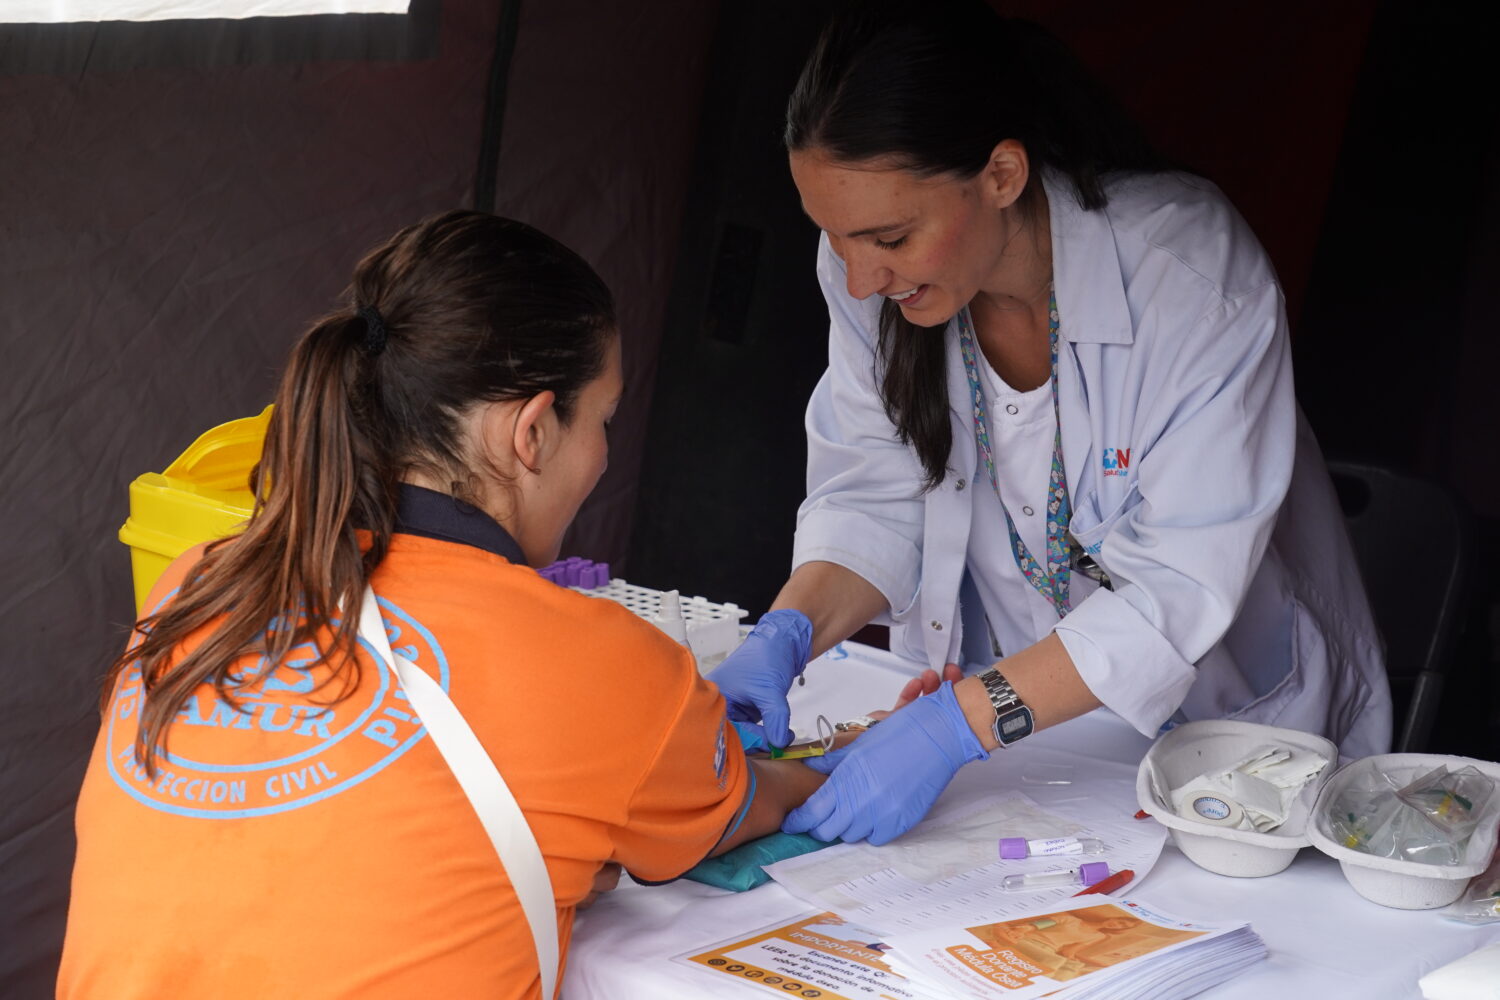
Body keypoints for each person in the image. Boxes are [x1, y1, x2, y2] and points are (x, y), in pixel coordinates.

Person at [58, 211, 833, 999]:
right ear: (533, 431)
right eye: (603, 419)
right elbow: (750, 807)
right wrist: (849, 761)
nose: (604, 454)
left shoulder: (198, 580)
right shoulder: (602, 661)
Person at [706, 0, 1390, 847]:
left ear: (1001, 174)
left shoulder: (1189, 278)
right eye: (834, 237)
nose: (857, 278)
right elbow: (873, 492)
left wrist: (956, 725)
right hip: (1025, 729)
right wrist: (787, 632)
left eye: (890, 237)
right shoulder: (870, 270)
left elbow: (1174, 585)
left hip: (1227, 740)